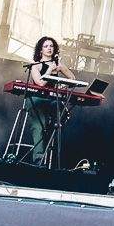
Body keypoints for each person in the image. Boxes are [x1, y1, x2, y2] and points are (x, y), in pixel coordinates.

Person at [23, 35, 74, 166]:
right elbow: (40, 83)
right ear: (40, 50)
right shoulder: (36, 65)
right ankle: (38, 159)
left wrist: (64, 84)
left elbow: (72, 77)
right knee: (38, 126)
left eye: (51, 46)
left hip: (51, 99)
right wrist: (50, 70)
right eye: (46, 46)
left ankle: (50, 135)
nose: (49, 48)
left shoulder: (58, 64)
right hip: (37, 99)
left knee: (63, 113)